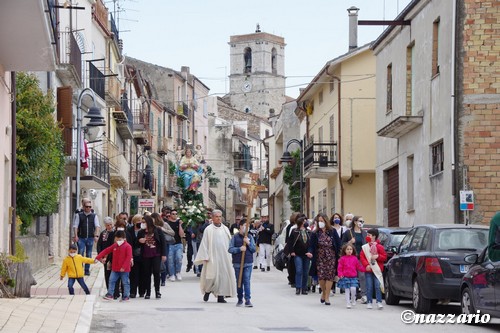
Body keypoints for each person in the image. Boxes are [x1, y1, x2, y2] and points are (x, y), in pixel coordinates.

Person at [194, 209, 236, 303]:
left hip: (224, 257)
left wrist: (231, 254)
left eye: (220, 216)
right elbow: (204, 243)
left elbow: (229, 242)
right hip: (212, 256)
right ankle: (207, 291)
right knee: (211, 276)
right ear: (212, 218)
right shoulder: (208, 229)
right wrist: (205, 255)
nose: (218, 218)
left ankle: (220, 296)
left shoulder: (225, 229)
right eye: (216, 216)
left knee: (223, 276)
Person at [308, 213, 340, 305]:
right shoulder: (315, 233)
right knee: (321, 276)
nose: (320, 223)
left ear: (326, 221)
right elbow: (311, 245)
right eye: (319, 221)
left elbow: (338, 244)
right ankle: (324, 292)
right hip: (320, 257)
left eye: (322, 221)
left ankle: (327, 296)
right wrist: (310, 252)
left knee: (330, 276)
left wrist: (340, 255)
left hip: (331, 256)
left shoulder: (332, 231)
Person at [95, 230, 132, 301]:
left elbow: (128, 258)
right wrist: (98, 257)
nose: (118, 240)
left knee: (125, 283)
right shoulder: (115, 245)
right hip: (115, 268)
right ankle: (110, 294)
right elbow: (106, 250)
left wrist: (123, 267)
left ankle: (126, 296)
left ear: (124, 238)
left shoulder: (128, 247)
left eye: (120, 239)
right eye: (116, 239)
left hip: (124, 269)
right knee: (111, 280)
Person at [228, 218, 256, 307]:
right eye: (245, 226)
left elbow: (254, 249)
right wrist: (239, 249)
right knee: (239, 281)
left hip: (248, 262)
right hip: (238, 263)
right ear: (240, 226)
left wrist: (248, 243)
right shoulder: (235, 237)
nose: (246, 229)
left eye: (248, 227)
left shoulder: (250, 237)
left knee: (247, 280)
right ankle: (240, 298)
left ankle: (247, 299)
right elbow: (230, 249)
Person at [138, 215, 166, 299]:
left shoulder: (157, 230)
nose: (142, 224)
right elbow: (136, 242)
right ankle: (148, 292)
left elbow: (163, 242)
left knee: (156, 272)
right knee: (147, 273)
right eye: (141, 222)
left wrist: (163, 254)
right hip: (145, 255)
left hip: (156, 254)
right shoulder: (141, 232)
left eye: (144, 222)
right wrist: (139, 241)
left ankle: (157, 291)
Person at [341, 215, 368, 303]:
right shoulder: (348, 233)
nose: (361, 223)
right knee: (353, 276)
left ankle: (364, 294)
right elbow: (342, 244)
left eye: (363, 222)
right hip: (351, 258)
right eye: (360, 221)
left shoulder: (364, 233)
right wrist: (350, 242)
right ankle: (353, 294)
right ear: (355, 222)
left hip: (361, 257)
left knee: (362, 276)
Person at [360, 228, 387, 309]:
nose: (367, 236)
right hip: (368, 270)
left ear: (374, 236)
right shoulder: (365, 247)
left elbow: (384, 257)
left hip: (377, 270)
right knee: (369, 286)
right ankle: (369, 301)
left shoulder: (380, 247)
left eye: (369, 235)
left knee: (377, 286)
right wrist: (366, 265)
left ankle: (379, 301)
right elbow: (362, 257)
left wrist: (378, 256)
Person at [72, 198, 100, 276]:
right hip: (81, 237)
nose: (88, 208)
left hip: (90, 237)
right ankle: (79, 269)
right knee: (80, 253)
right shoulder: (79, 215)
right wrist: (76, 236)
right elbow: (75, 226)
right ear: (84, 207)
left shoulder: (94, 216)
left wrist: (96, 235)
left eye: (89, 207)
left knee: (89, 254)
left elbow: (97, 226)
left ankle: (87, 270)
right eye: (86, 206)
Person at [285, 216, 312, 295]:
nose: (306, 222)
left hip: (307, 255)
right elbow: (290, 242)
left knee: (306, 271)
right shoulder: (295, 231)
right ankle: (298, 287)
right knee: (299, 270)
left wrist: (310, 252)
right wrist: (292, 251)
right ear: (301, 223)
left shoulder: (309, 232)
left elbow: (311, 244)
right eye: (304, 221)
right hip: (298, 254)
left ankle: (304, 288)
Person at [337, 244, 366, 308]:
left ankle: (353, 298)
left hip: (353, 277)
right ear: (344, 251)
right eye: (347, 249)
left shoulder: (355, 258)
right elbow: (340, 268)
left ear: (353, 250)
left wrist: (365, 269)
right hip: (345, 277)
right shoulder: (342, 259)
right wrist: (340, 274)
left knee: (353, 289)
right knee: (347, 290)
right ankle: (348, 303)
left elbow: (359, 267)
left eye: (351, 249)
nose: (349, 251)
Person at [151, 212, 174, 285]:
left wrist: (162, 229)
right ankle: (158, 278)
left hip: (165, 244)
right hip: (154, 245)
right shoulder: (151, 226)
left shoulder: (164, 224)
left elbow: (172, 233)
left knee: (163, 261)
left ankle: (163, 279)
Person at [127, 214, 144, 298]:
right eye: (138, 221)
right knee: (133, 274)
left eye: (141, 221)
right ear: (134, 222)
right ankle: (132, 291)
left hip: (143, 254)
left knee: (142, 274)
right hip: (133, 254)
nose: (140, 222)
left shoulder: (144, 230)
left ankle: (142, 291)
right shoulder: (129, 230)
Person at [166, 208, 185, 281]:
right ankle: (172, 274)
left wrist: (180, 225)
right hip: (170, 244)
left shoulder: (179, 223)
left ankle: (178, 272)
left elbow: (181, 234)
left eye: (176, 214)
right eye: (173, 214)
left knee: (179, 258)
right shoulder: (167, 223)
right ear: (170, 215)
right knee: (170, 260)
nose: (174, 215)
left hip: (178, 243)